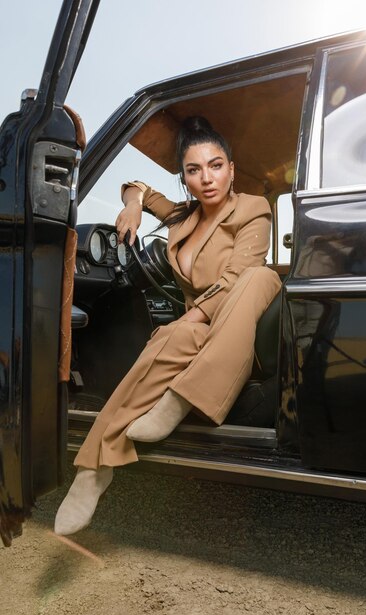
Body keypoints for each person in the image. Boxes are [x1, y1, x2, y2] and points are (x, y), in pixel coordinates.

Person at [54, 116, 281, 535]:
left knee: (258, 277)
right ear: (185, 179)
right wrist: (133, 205)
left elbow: (235, 278)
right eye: (194, 170)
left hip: (244, 320)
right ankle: (93, 471)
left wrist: (192, 314)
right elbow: (136, 185)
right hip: (202, 329)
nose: (207, 178)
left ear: (231, 168)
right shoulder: (182, 217)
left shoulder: (253, 208)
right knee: (169, 335)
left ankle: (181, 397)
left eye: (215, 166)